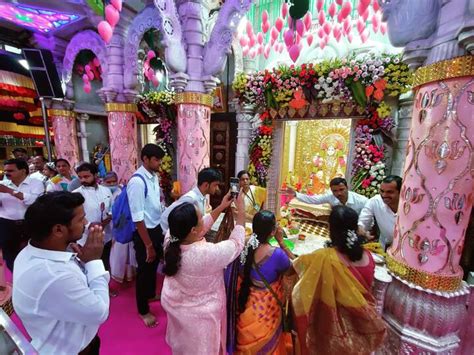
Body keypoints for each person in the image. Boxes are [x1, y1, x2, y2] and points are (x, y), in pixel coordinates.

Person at [12, 192, 110, 355]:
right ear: (58, 229)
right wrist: (93, 262)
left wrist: (82, 263)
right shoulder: (52, 275)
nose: (86, 225)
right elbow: (99, 312)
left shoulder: (32, 251)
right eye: (81, 220)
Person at [292, 205, 386, 354]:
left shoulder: (323, 257)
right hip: (359, 329)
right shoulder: (368, 256)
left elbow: (296, 270)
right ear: (356, 228)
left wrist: (283, 244)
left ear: (330, 228)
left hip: (331, 330)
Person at [161, 190, 245, 355]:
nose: (204, 219)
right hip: (202, 319)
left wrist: (221, 207)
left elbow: (200, 227)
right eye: (201, 217)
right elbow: (236, 243)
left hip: (178, 310)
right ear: (193, 230)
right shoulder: (206, 254)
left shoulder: (170, 239)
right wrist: (241, 212)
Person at [234, 210, 295, 354]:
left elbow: (242, 273)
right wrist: (281, 242)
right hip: (268, 310)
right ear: (273, 231)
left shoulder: (245, 248)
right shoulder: (277, 254)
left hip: (249, 303)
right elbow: (295, 268)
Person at [128, 144, 165, 327]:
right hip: (144, 232)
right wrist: (148, 245)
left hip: (156, 227)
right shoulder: (137, 182)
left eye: (160, 160)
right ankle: (143, 310)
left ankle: (150, 294)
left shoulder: (154, 177)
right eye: (156, 160)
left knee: (153, 265)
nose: (159, 163)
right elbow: (138, 217)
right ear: (145, 159)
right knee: (144, 270)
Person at [0, 159, 44, 270]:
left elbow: (33, 201)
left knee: (33, 252)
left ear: (23, 171)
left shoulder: (36, 183)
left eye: (11, 170)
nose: (7, 173)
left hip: (29, 224)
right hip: (7, 225)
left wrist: (10, 191)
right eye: (5, 171)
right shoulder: (2, 185)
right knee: (9, 255)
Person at [73, 163, 112, 270]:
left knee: (104, 266)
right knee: (88, 267)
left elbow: (111, 207)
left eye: (86, 177)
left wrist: (109, 217)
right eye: (80, 177)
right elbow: (75, 215)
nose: (83, 180)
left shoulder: (106, 190)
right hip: (86, 238)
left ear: (96, 175)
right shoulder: (76, 194)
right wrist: (89, 225)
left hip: (106, 236)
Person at [160, 167, 222, 233]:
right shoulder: (191, 199)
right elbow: (173, 219)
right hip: (168, 233)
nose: (217, 188)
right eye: (215, 185)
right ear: (206, 185)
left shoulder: (200, 196)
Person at [104, 172, 136, 283]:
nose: (112, 184)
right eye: (108, 182)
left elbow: (124, 209)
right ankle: (115, 273)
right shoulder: (102, 192)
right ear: (104, 182)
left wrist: (119, 224)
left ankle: (127, 274)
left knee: (124, 250)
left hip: (121, 224)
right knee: (115, 251)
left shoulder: (122, 191)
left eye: (114, 181)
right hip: (107, 225)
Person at [358, 175, 402, 250]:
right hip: (386, 248)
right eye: (382, 191)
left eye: (389, 192)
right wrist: (362, 230)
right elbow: (362, 221)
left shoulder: (411, 205)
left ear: (401, 192)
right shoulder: (375, 201)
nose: (384, 195)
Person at [282, 177, 368, 215]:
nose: (339, 193)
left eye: (341, 189)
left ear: (347, 188)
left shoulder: (362, 201)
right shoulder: (331, 197)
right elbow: (314, 200)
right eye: (335, 191)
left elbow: (367, 219)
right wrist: (295, 194)